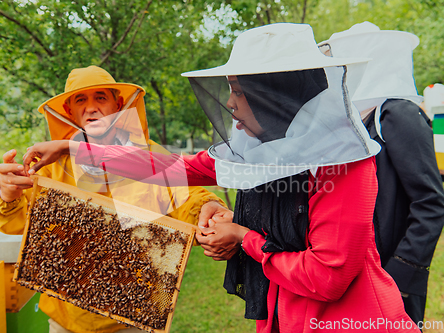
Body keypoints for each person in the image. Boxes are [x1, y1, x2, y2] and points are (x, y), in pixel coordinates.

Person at [24, 24, 421, 332]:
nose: (229, 102)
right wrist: (72, 149)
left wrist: (243, 238)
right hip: (285, 314)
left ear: (274, 95)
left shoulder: (344, 166)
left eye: (239, 91)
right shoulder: (260, 150)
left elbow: (326, 277)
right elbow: (172, 169)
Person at [0, 65, 227, 333]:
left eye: (101, 98)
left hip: (133, 317)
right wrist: (7, 192)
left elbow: (186, 195)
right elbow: (13, 221)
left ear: (118, 104)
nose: (91, 107)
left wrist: (208, 207)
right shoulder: (50, 166)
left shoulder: (148, 156)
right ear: (69, 111)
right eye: (80, 100)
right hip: (67, 320)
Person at [318, 22, 444, 325]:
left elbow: (431, 202)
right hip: (356, 273)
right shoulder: (358, 119)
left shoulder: (397, 113)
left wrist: (401, 274)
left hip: (390, 278)